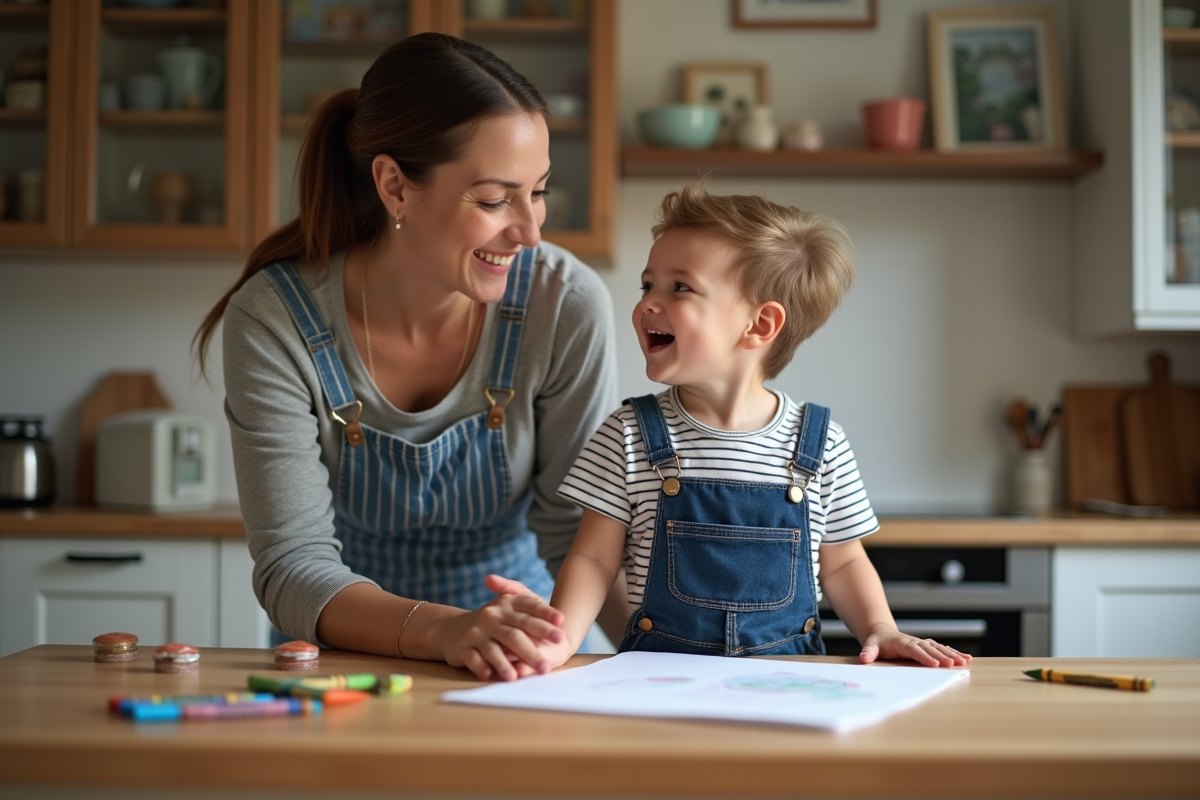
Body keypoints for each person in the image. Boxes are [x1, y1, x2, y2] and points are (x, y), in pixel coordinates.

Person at [194, 33, 630, 682]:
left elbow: (582, 533)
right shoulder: (274, 318)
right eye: (492, 200)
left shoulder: (563, 304)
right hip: (340, 665)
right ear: (395, 186)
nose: (531, 231)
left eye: (537, 192)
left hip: (516, 662)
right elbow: (293, 567)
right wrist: (445, 628)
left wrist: (673, 660)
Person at [540, 182, 972, 667]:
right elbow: (594, 560)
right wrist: (562, 637)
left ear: (760, 325)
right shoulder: (626, 434)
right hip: (659, 687)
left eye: (679, 287)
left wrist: (880, 628)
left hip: (787, 684)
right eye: (648, 284)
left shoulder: (820, 442)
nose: (647, 303)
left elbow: (845, 561)